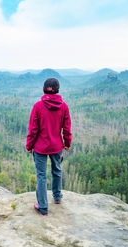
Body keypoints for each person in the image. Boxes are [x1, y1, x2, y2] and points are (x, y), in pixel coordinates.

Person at [26, 78, 72, 216]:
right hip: (57, 145)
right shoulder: (63, 106)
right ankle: (57, 197)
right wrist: (67, 143)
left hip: (40, 147)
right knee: (57, 170)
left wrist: (29, 145)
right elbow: (67, 128)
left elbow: (33, 129)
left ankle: (43, 207)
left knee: (41, 176)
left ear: (43, 89)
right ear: (58, 90)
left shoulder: (38, 106)